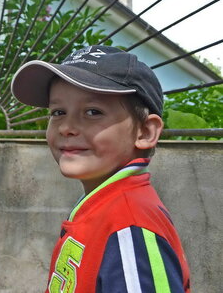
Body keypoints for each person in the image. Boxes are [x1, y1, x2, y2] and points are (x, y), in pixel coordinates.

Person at [10, 45, 191, 292]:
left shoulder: (129, 225)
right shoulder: (103, 205)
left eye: (93, 112)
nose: (67, 127)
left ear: (146, 132)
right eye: (58, 112)